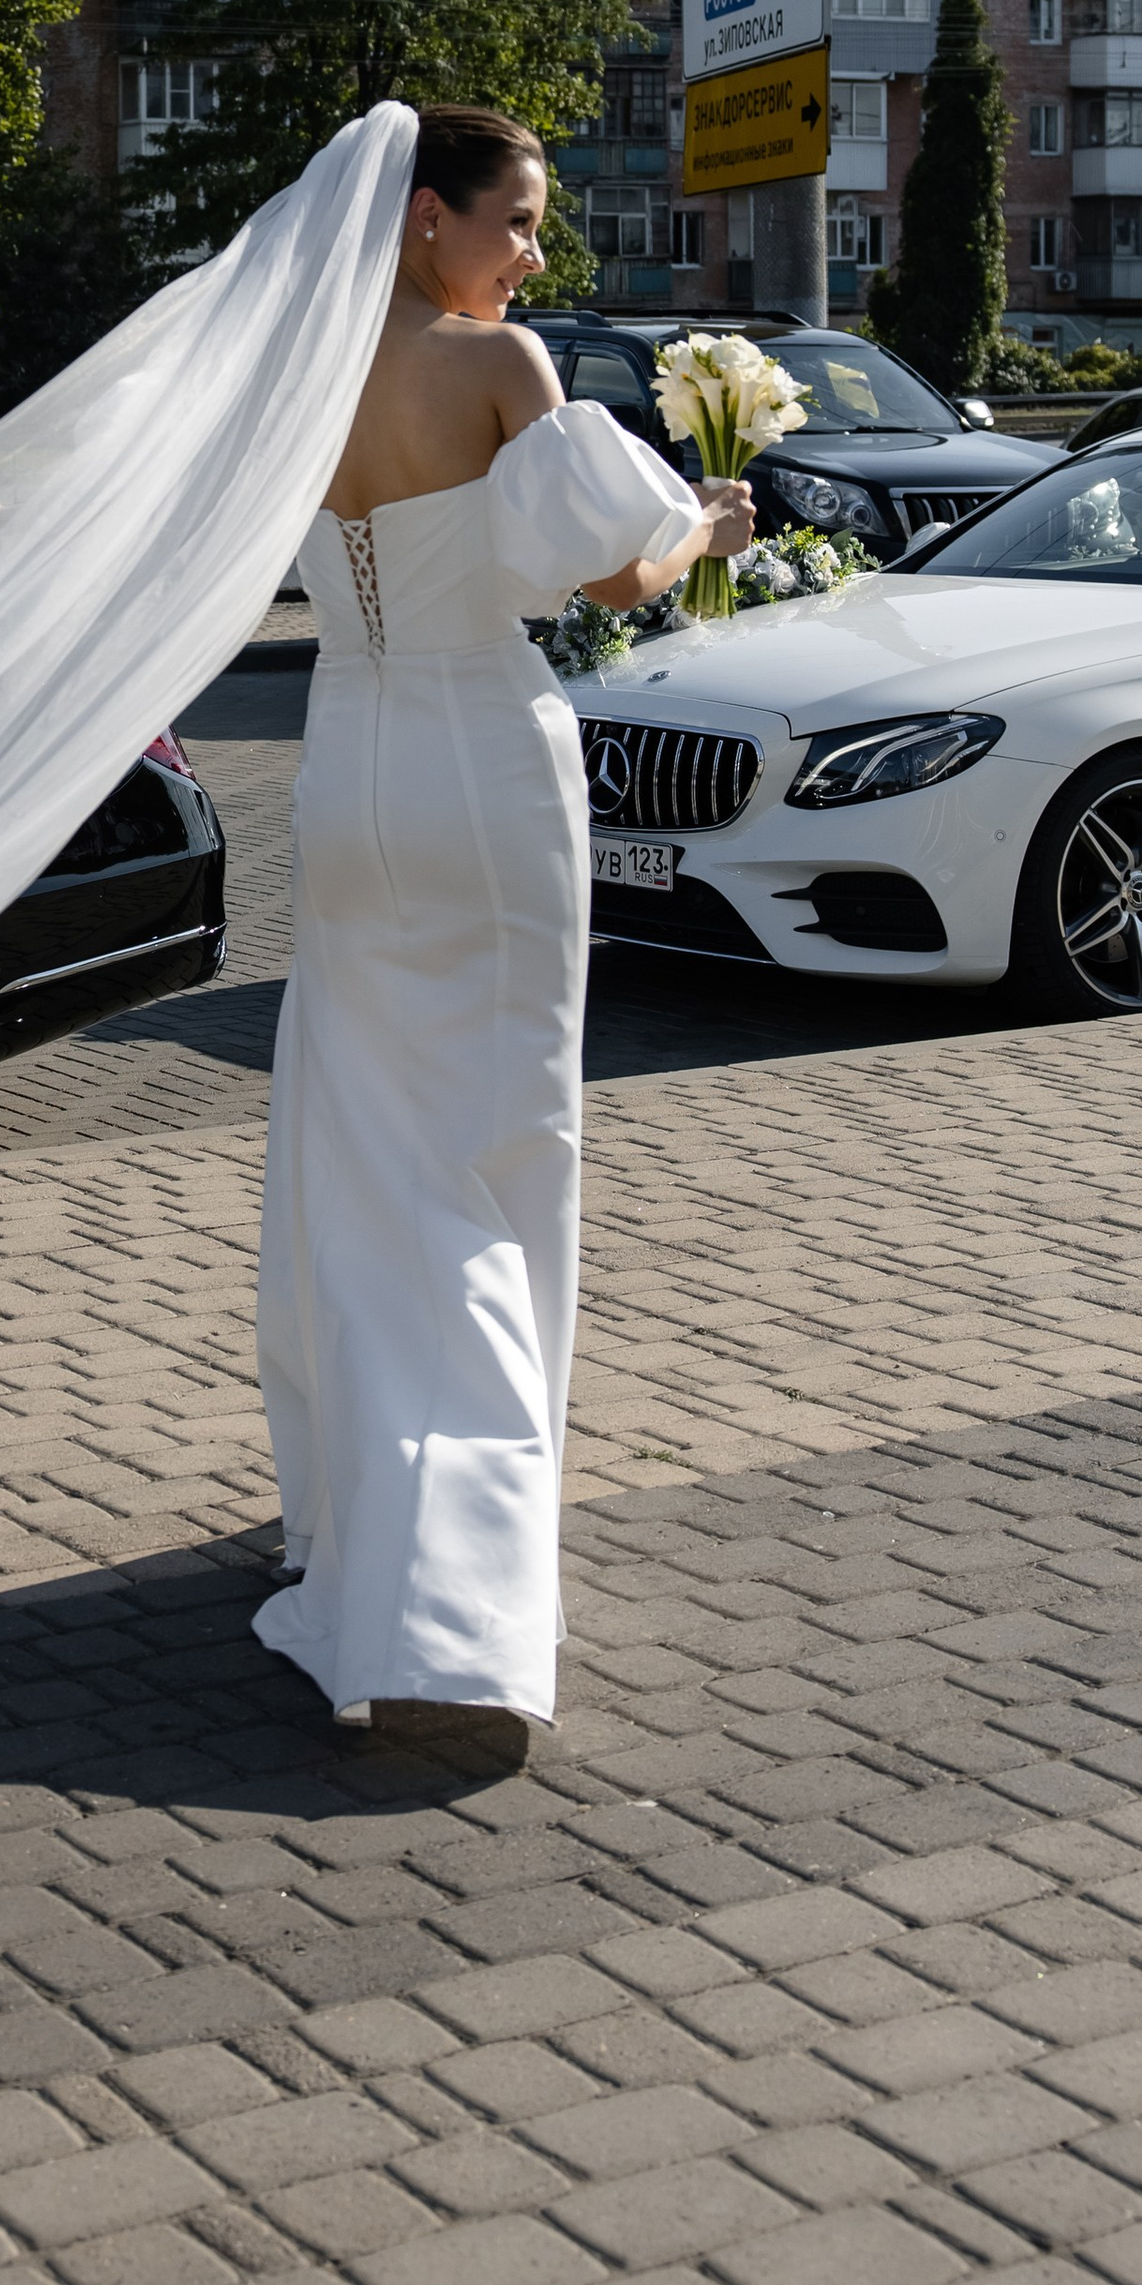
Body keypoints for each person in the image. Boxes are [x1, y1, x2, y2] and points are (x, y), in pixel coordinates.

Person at [252, 105, 753, 1772]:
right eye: (517, 221)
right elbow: (604, 581)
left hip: (345, 784)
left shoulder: (290, 382)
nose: (532, 256)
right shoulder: (501, 370)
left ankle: (359, 1526)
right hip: (482, 772)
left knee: (364, 1155)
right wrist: (711, 528)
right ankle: (452, 1604)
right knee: (494, 1153)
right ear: (423, 223)